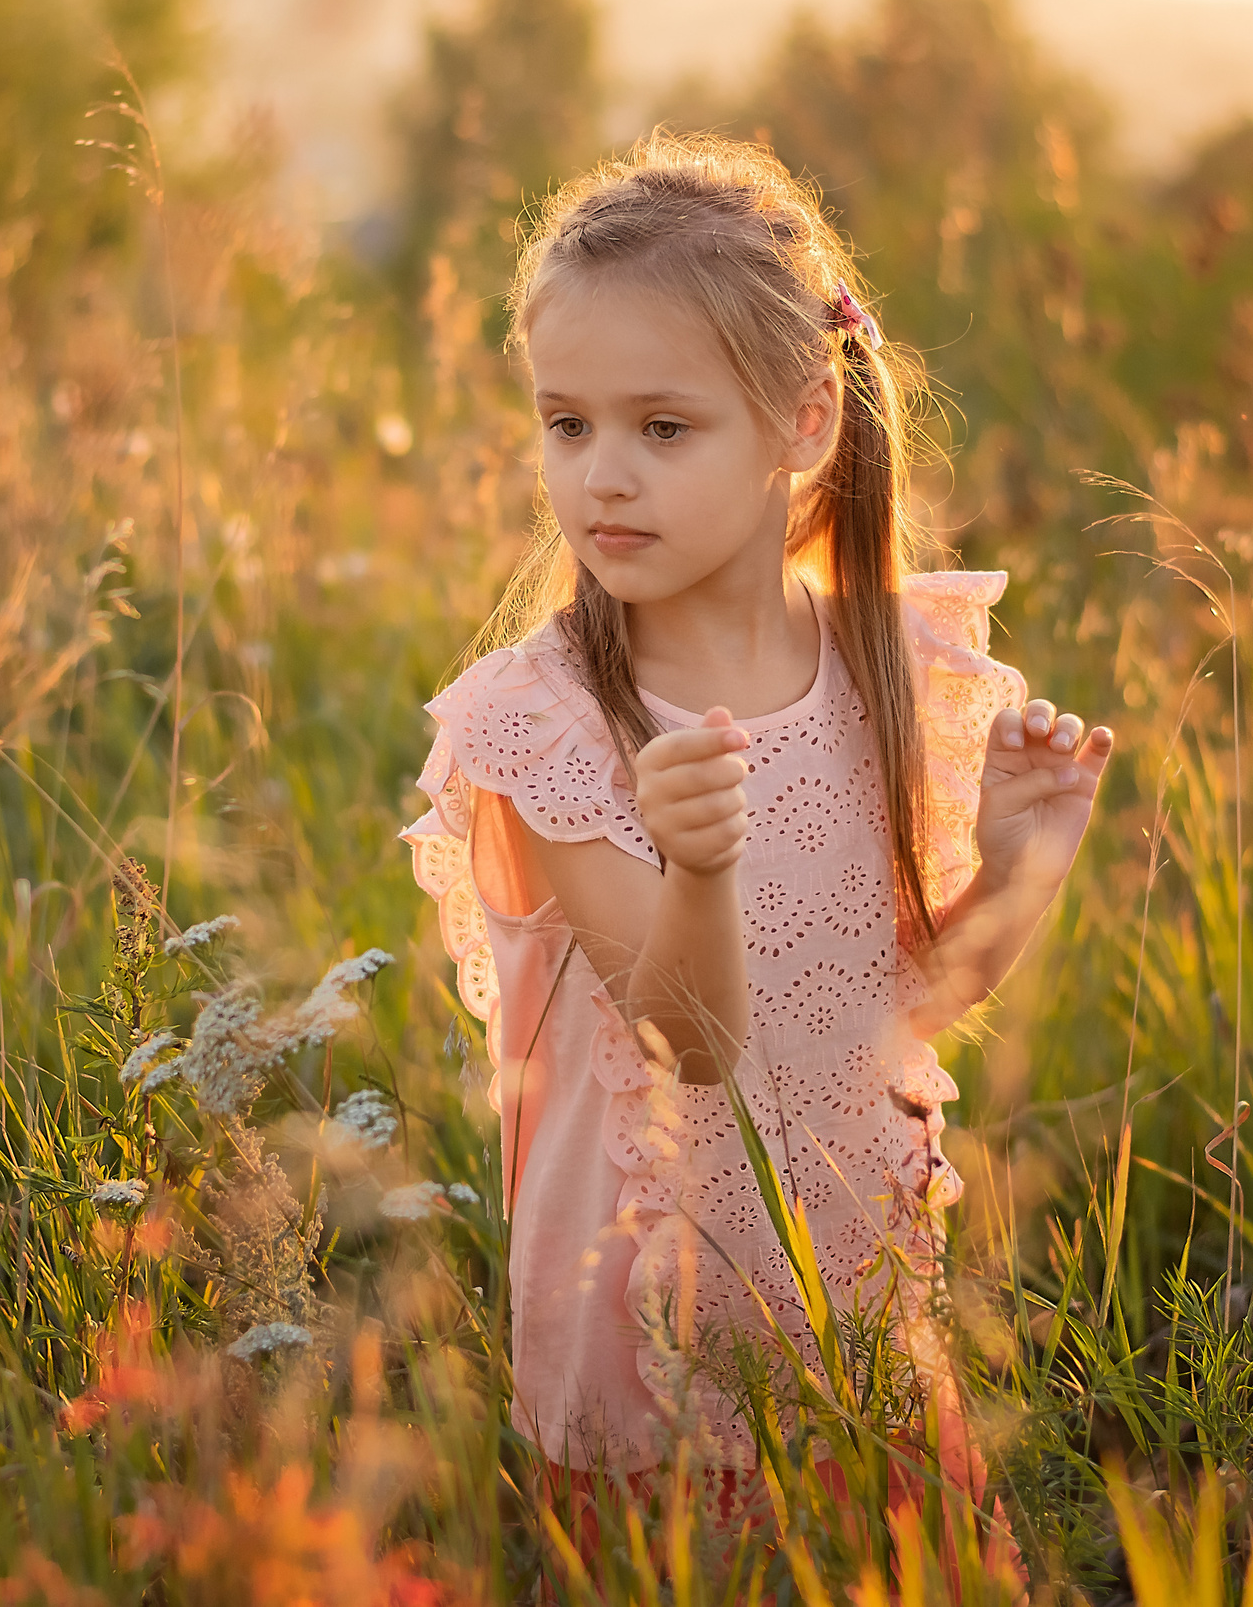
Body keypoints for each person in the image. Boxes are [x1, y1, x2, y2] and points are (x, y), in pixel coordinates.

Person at [402, 133, 1111, 1571]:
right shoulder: (547, 727)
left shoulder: (886, 667)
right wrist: (700, 867)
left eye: (664, 429)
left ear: (799, 423)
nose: (603, 476)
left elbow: (899, 1006)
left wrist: (1026, 859)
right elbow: (692, 1038)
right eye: (566, 425)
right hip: (649, 1329)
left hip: (849, 1304)